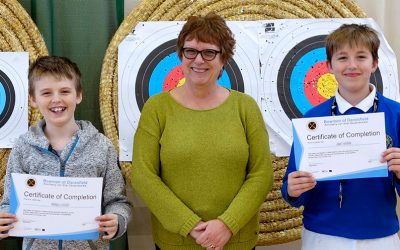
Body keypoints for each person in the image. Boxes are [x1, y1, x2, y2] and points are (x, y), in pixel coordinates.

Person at [130, 13, 273, 250]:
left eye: (209, 52)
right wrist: (190, 225)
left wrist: (227, 224)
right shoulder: (156, 108)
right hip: (176, 242)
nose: (199, 60)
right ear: (180, 54)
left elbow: (262, 174)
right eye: (191, 51)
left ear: (224, 58)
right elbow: (143, 176)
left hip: (236, 241)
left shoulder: (245, 107)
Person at [281, 24, 400, 250]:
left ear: (374, 63)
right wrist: (292, 190)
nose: (352, 65)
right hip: (322, 236)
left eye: (361, 57)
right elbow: (291, 185)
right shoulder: (313, 119)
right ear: (329, 66)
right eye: (342, 57)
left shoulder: (396, 115)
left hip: (380, 236)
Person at [0, 56, 131, 249]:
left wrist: (117, 220)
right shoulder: (22, 147)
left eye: (64, 91)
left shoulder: (102, 146)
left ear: (78, 95)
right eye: (46, 93)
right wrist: (4, 220)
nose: (56, 99)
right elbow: (9, 204)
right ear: (33, 99)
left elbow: (118, 201)